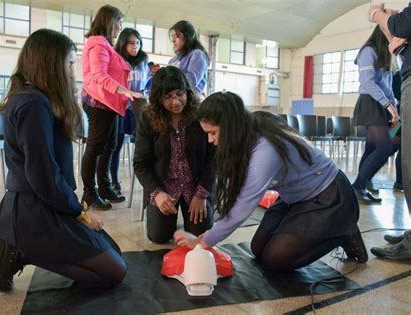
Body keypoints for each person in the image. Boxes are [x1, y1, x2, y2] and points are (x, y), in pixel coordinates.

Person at [0, 29, 126, 292]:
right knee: (114, 273)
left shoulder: (38, 100)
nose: (72, 70)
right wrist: (80, 214)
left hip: (47, 204)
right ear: (51, 64)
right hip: (35, 212)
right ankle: (22, 252)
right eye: (69, 63)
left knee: (114, 253)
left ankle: (27, 247)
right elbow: (43, 175)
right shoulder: (33, 105)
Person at [174, 92, 368, 271]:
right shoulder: (250, 126)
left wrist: (202, 243)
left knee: (276, 259)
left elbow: (242, 206)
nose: (210, 140)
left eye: (213, 133)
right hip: (295, 197)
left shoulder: (265, 150)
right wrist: (206, 237)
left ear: (231, 127)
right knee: (258, 249)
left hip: (328, 196)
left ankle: (344, 231)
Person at [133, 66, 214, 243]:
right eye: (168, 97)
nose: (175, 101)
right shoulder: (148, 118)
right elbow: (140, 163)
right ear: (158, 98)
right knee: (158, 236)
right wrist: (157, 194)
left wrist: (201, 194)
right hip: (165, 188)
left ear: (188, 92)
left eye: (179, 94)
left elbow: (213, 159)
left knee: (201, 235)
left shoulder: (200, 114)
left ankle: (193, 212)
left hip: (195, 188)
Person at [81, 5, 143, 209]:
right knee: (95, 147)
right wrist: (125, 91)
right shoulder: (98, 43)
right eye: (119, 22)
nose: (120, 28)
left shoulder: (105, 44)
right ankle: (89, 192)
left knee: (110, 146)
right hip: (98, 103)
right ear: (110, 21)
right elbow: (99, 76)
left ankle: (104, 187)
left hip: (110, 105)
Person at [367, 2, 411, 261]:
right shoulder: (370, 54)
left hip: (384, 103)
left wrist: (377, 14)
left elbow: (402, 25)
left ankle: (360, 184)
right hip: (374, 105)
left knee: (406, 158)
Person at [351, 25, 400, 204]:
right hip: (370, 102)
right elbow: (368, 82)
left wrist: (394, 106)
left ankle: (361, 186)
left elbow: (386, 84)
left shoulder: (387, 54)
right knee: (384, 147)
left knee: (374, 147)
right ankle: (358, 186)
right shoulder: (368, 51)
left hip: (382, 104)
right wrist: (389, 105)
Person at [110, 28, 151, 195]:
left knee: (144, 145)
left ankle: (147, 182)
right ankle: (114, 180)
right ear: (123, 43)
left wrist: (146, 93)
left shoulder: (144, 61)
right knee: (116, 145)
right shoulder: (117, 60)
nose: (136, 46)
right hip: (120, 108)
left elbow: (149, 83)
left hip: (138, 108)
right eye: (132, 43)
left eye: (138, 43)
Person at [168, 20, 210, 99]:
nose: (173, 40)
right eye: (172, 36)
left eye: (177, 36)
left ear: (187, 36)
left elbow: (190, 83)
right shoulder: (172, 60)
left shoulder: (197, 54)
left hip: (190, 101)